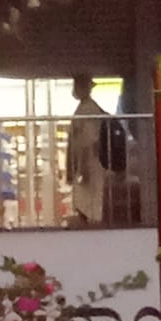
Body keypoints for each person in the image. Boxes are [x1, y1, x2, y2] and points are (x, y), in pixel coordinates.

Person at [67, 73, 107, 225]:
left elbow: (88, 140)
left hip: (89, 160)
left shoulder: (88, 109)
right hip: (85, 160)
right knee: (85, 198)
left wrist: (82, 166)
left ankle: (90, 225)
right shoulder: (85, 107)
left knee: (86, 199)